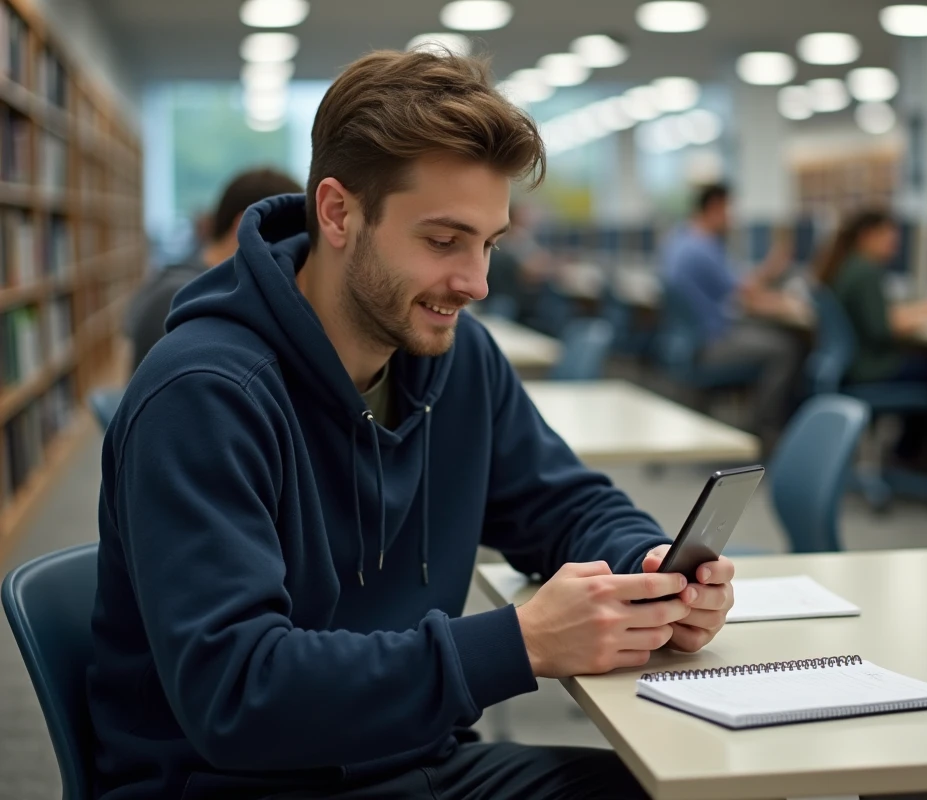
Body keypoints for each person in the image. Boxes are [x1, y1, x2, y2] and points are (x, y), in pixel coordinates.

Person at [88, 50, 737, 800]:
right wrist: (519, 644)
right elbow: (237, 694)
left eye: (488, 244)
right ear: (338, 212)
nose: (476, 283)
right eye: (443, 241)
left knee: (709, 790)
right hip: (239, 783)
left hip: (412, 761)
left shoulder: (459, 360)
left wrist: (652, 568)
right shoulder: (202, 394)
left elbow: (564, 503)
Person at [813, 210, 927, 478]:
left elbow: (873, 317)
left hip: (852, 366)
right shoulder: (866, 271)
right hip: (870, 368)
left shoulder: (847, 265)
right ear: (869, 236)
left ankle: (907, 453)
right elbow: (881, 329)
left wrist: (915, 313)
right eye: (889, 235)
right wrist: (923, 317)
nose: (896, 242)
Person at [659, 184, 805, 443]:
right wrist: (777, 280)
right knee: (785, 348)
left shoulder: (679, 241)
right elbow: (744, 294)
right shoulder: (702, 248)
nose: (732, 218)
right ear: (714, 208)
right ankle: (763, 431)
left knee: (765, 334)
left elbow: (737, 291)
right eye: (728, 210)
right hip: (709, 344)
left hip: (687, 343)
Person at [125, 168, 302, 370]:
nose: (290, 257)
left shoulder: (195, 288)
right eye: (288, 240)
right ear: (247, 227)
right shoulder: (182, 299)